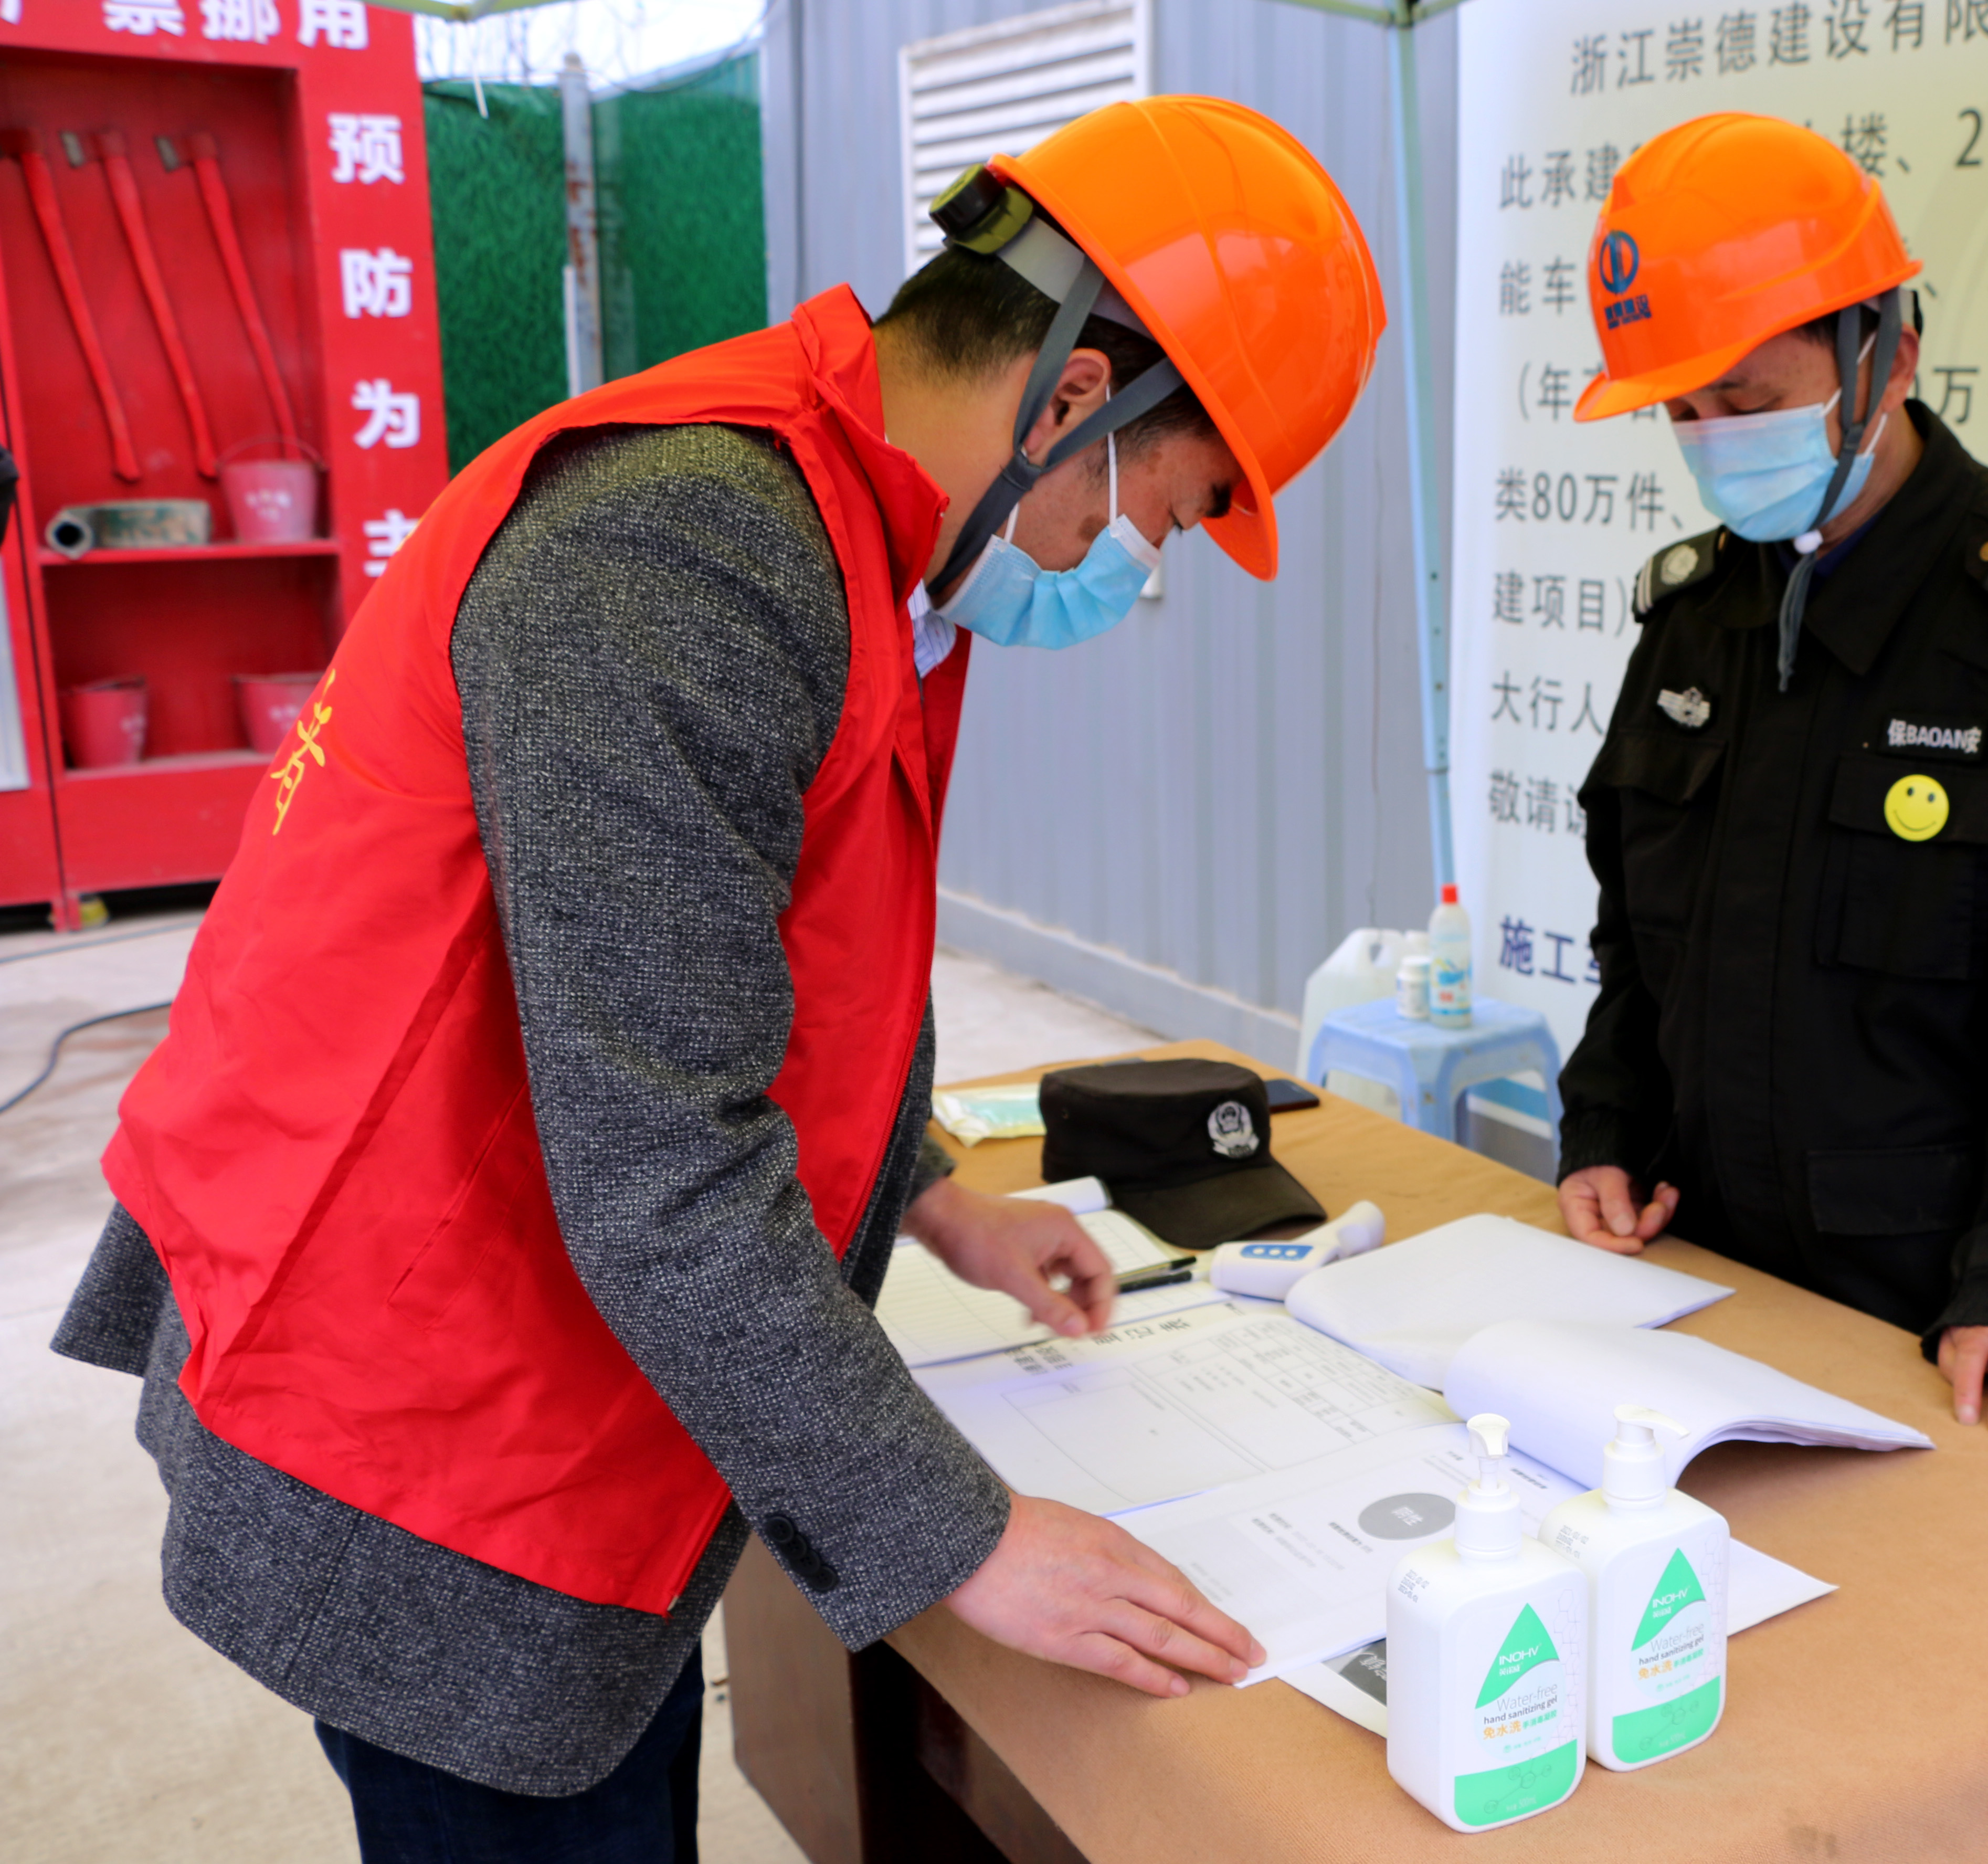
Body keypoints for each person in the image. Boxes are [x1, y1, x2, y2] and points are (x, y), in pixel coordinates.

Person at [48, 96, 1381, 1859]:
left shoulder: (849, 533)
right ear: (1074, 399)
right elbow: (660, 1164)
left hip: (547, 1351)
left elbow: (733, 966)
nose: (1127, 565)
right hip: (431, 1427)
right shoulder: (689, 551)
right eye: (1170, 511)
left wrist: (928, 1195)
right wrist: (966, 1539)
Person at [1551, 114, 1988, 1440]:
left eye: (1744, 403)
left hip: (1928, 1320)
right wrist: (1605, 1127)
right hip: (1687, 1276)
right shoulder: (1697, 614)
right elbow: (1636, 942)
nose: (1712, 441)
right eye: (1681, 413)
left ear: (1885, 355)